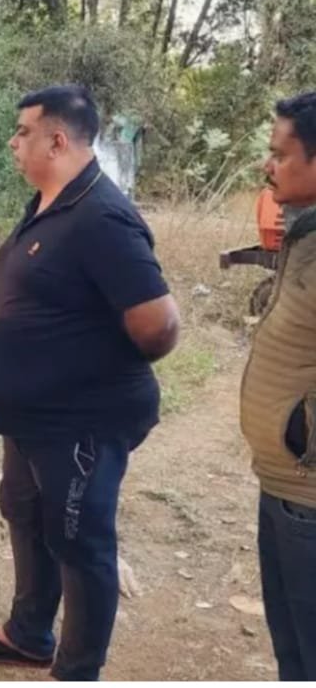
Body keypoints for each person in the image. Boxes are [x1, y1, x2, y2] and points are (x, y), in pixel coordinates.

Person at [0, 85, 179, 680]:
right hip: (32, 420)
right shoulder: (52, 202)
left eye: (22, 131)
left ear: (57, 140)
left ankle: (76, 671)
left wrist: (83, 371)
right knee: (25, 514)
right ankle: (29, 634)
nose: (12, 141)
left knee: (80, 542)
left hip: (79, 423)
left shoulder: (102, 216)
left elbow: (158, 326)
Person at [240, 92, 316, 681]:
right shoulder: (305, 235)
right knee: (293, 653)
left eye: (281, 154)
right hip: (283, 483)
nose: (269, 166)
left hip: (308, 493)